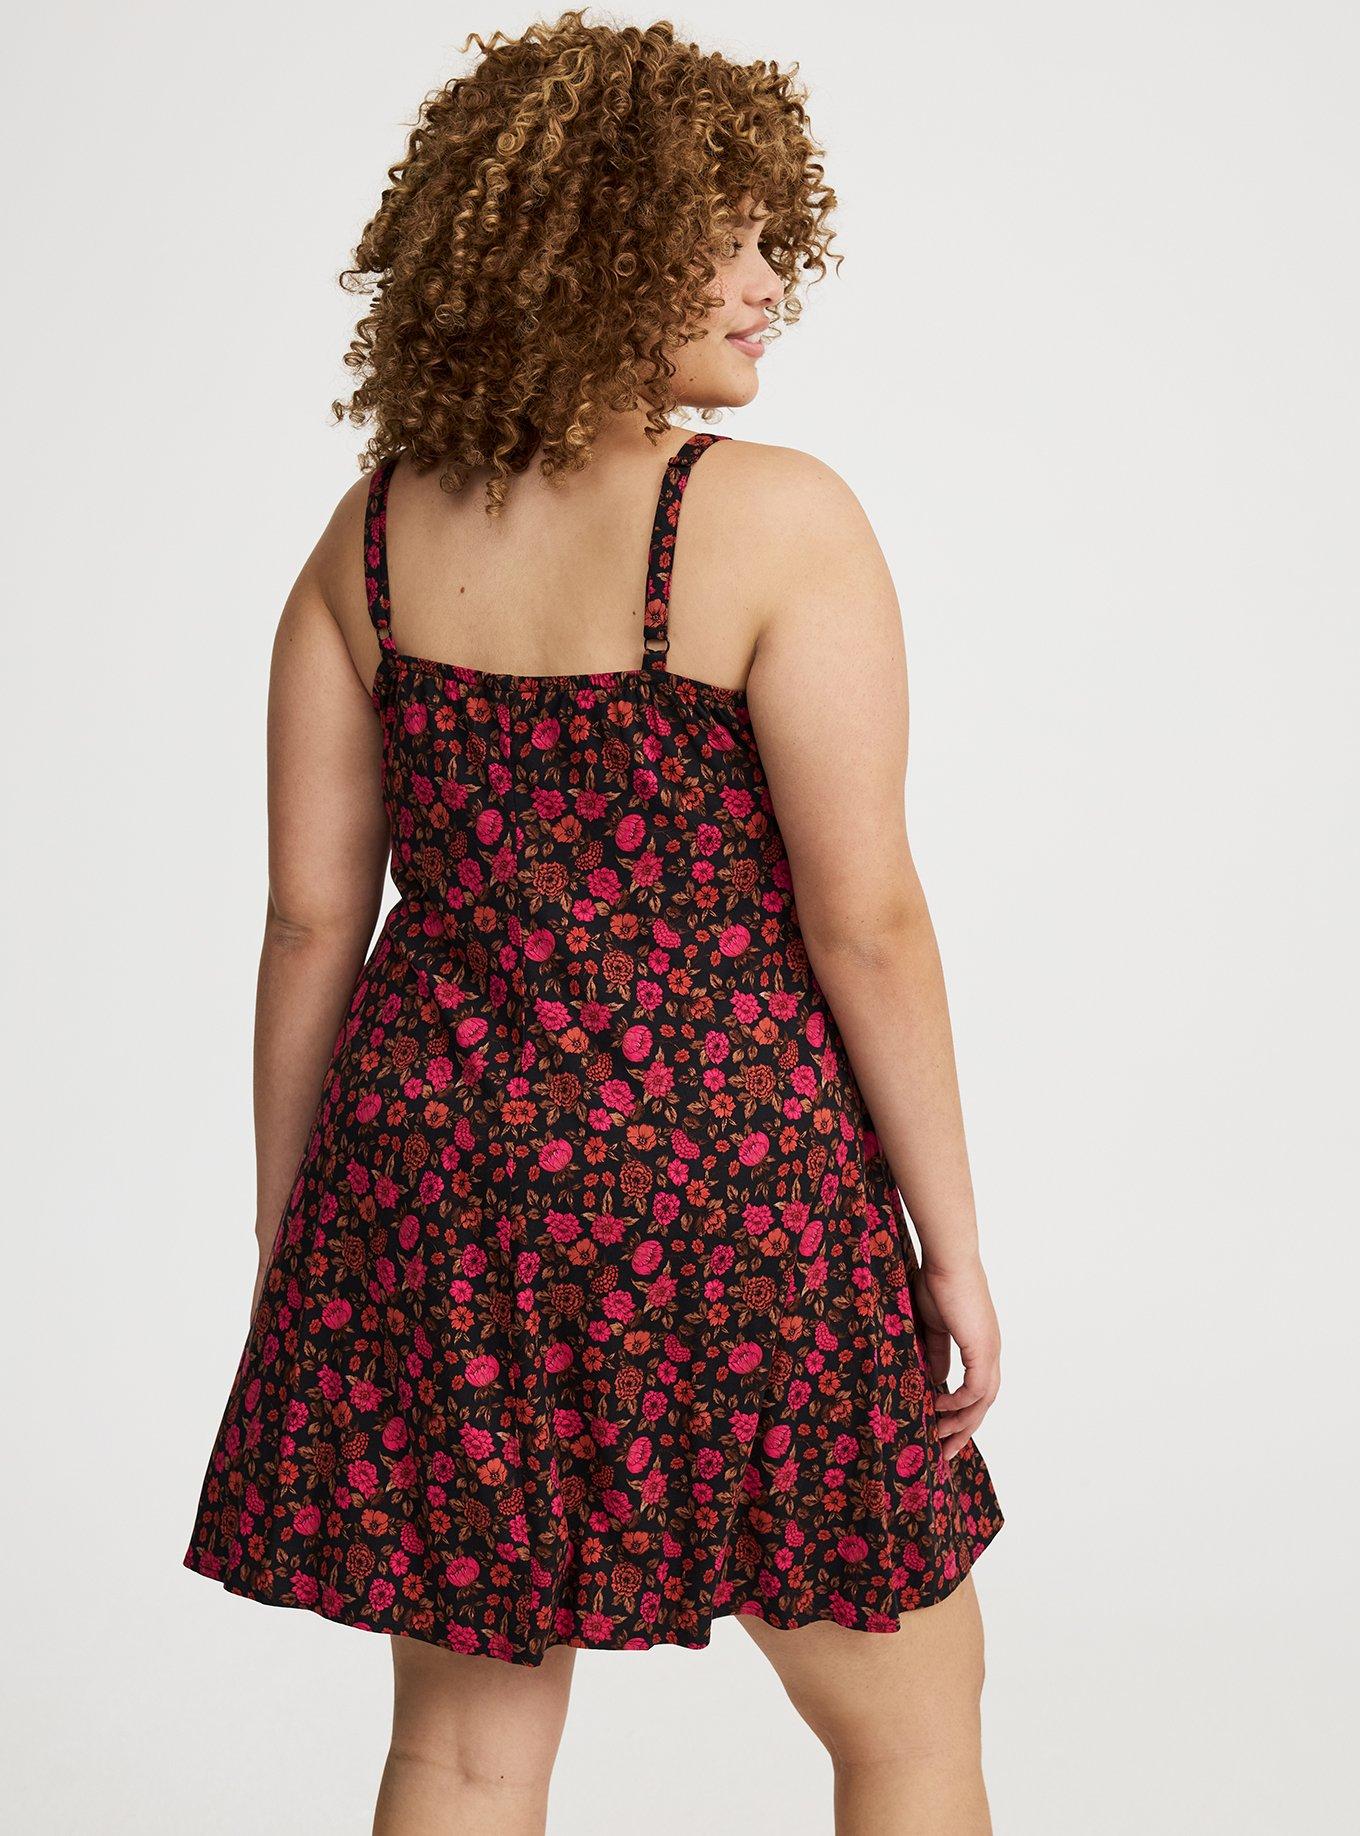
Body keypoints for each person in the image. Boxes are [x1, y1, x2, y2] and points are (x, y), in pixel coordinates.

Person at [182, 13, 1005, 1834]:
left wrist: (296, 1230)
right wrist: (948, 1245)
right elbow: (867, 922)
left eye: (776, 236)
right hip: (728, 1176)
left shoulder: (371, 536)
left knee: (464, 1746)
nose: (771, 282)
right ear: (597, 252)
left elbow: (310, 923)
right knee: (909, 1725)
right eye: (727, 240)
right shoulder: (774, 520)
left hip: (436, 1176)